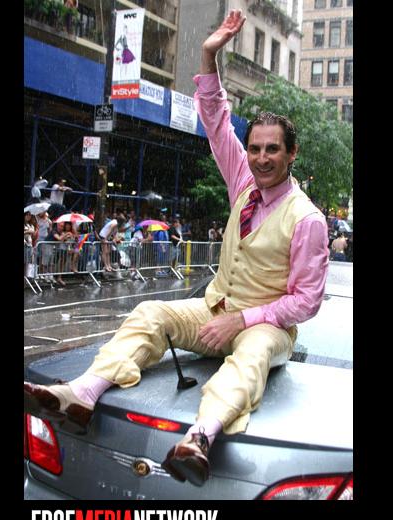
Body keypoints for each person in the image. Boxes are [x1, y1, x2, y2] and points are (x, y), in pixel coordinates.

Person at [23, 9, 329, 487]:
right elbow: (216, 120)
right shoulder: (243, 182)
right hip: (213, 309)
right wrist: (209, 55)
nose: (261, 158)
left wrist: (242, 320)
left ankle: (199, 438)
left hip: (265, 329)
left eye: (273, 149)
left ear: (292, 154)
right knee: (150, 311)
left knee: (252, 355)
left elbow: (306, 301)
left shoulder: (307, 219)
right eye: (255, 148)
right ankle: (82, 394)